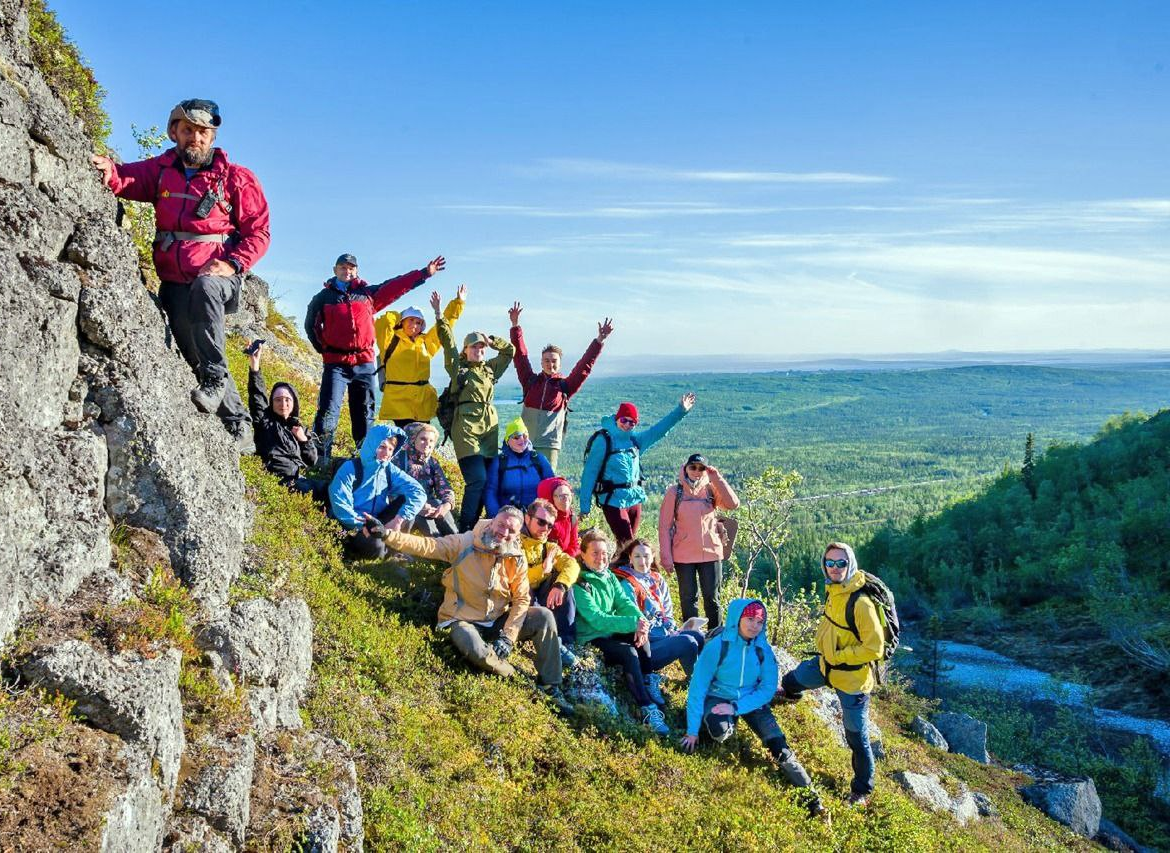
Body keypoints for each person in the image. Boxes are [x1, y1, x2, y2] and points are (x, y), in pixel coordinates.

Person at [91, 98, 270, 450]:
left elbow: (259, 232)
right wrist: (108, 170)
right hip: (174, 281)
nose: (195, 138)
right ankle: (238, 424)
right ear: (175, 132)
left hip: (218, 276)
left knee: (206, 293)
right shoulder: (161, 170)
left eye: (202, 132)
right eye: (187, 130)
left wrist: (232, 264)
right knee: (195, 349)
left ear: (212, 136)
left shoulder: (237, 178)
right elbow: (127, 178)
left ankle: (217, 382)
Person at [381, 507, 571, 711]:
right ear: (491, 522)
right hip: (460, 619)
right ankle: (520, 679)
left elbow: (522, 599)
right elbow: (428, 545)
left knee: (543, 616)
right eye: (501, 525)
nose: (504, 532)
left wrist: (508, 636)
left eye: (511, 531)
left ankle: (551, 685)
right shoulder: (465, 542)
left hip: (496, 620)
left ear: (517, 534)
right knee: (475, 648)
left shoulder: (515, 556)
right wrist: (387, 535)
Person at [681, 599, 824, 816]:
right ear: (737, 618)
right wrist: (691, 731)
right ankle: (718, 725)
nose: (754, 626)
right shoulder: (718, 646)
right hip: (718, 696)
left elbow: (767, 690)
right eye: (749, 619)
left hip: (751, 701)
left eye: (759, 621)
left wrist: (736, 708)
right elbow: (697, 689)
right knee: (719, 733)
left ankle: (812, 799)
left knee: (779, 746)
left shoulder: (763, 650)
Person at [304, 252, 446, 463]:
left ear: (356, 271)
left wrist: (424, 273)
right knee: (329, 410)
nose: (347, 271)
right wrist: (326, 350)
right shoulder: (323, 298)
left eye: (351, 268)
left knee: (364, 411)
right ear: (335, 271)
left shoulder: (367, 294)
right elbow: (311, 326)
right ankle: (320, 460)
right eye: (343, 267)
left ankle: (367, 459)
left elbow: (396, 286)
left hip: (363, 363)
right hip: (336, 363)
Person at [776, 542, 882, 808]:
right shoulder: (834, 589)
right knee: (791, 680)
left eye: (841, 563)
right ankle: (790, 695)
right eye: (830, 563)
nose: (834, 568)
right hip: (825, 667)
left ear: (851, 564)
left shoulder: (861, 602)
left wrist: (839, 656)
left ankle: (862, 789)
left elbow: (875, 647)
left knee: (856, 736)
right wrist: (830, 656)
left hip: (852, 680)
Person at [573, 529, 694, 735]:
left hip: (611, 631)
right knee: (628, 653)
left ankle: (647, 678)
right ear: (583, 555)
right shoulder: (580, 584)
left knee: (641, 631)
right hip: (593, 636)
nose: (600, 558)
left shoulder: (609, 576)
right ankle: (647, 708)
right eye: (594, 553)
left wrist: (640, 621)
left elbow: (624, 603)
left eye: (603, 553)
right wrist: (632, 623)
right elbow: (597, 619)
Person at [507, 302, 614, 470]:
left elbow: (584, 366)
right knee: (521, 484)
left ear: (560, 363)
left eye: (554, 361)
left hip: (549, 446)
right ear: (541, 363)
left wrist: (599, 340)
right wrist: (515, 326)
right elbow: (520, 356)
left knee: (546, 487)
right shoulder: (530, 381)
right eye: (547, 361)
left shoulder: (565, 386)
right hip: (523, 442)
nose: (550, 364)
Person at [580, 393, 696, 544]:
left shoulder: (635, 441)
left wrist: (681, 411)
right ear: (617, 419)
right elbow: (589, 474)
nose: (627, 425)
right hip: (613, 499)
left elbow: (659, 430)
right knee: (628, 543)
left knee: (627, 546)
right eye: (624, 420)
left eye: (632, 422)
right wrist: (584, 506)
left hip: (634, 498)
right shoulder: (604, 441)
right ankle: (624, 566)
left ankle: (617, 565)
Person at [437, 320, 515, 531]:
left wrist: (492, 341)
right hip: (465, 428)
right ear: (466, 350)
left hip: (489, 428)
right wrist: (439, 317)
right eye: (474, 346)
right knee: (477, 480)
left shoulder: (490, 370)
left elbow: (510, 352)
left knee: (488, 481)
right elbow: (448, 345)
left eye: (481, 347)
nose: (479, 350)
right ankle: (466, 529)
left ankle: (479, 528)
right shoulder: (458, 368)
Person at [612, 538, 704, 705]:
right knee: (688, 642)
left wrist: (674, 629)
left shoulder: (657, 580)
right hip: (647, 647)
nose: (642, 561)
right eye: (637, 556)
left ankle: (694, 679)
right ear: (630, 558)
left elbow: (667, 612)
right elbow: (633, 618)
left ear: (652, 556)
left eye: (646, 556)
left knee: (697, 636)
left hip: (664, 636)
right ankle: (700, 689)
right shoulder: (627, 584)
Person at [659, 453, 740, 631]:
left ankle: (715, 637)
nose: (696, 471)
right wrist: (666, 557)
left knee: (713, 599)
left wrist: (716, 477)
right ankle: (692, 638)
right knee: (688, 599)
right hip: (683, 555)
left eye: (701, 468)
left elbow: (733, 504)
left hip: (711, 553)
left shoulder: (711, 490)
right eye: (693, 467)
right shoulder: (675, 492)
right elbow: (664, 526)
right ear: (685, 468)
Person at [328, 424, 426, 560]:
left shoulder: (389, 469)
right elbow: (340, 505)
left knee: (406, 503)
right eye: (382, 447)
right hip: (354, 524)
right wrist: (366, 525)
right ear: (372, 446)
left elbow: (418, 492)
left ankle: (396, 550)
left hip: (379, 520)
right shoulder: (351, 468)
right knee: (377, 547)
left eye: (391, 449)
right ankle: (385, 553)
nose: (386, 453)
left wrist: (398, 520)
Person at [375, 285, 466, 427]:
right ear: (402, 322)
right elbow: (383, 322)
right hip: (399, 402)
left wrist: (458, 303)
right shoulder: (389, 341)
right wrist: (400, 314)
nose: (414, 325)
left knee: (423, 441)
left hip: (423, 402)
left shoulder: (425, 342)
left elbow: (444, 327)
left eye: (418, 322)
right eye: (410, 320)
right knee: (405, 441)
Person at [245, 340, 322, 496]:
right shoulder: (265, 421)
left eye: (287, 399)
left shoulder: (299, 428)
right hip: (280, 481)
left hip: (299, 479)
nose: (283, 404)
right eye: (278, 399)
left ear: (294, 403)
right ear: (272, 402)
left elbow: (312, 460)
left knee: (330, 489)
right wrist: (255, 366)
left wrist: (303, 440)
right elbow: (257, 396)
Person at [519, 499, 580, 664]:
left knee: (563, 583)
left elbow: (571, 564)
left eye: (550, 525)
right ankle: (550, 642)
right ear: (527, 518)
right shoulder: (515, 542)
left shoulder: (549, 547)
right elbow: (515, 578)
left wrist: (560, 585)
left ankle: (565, 639)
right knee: (525, 590)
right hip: (518, 598)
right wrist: (543, 569)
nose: (545, 529)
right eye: (541, 522)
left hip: (539, 596)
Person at [392, 423, 458, 537]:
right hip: (404, 508)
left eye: (432, 441)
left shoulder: (432, 462)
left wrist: (446, 505)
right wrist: (418, 506)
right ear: (412, 439)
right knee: (430, 531)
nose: (428, 444)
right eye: (423, 439)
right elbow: (389, 492)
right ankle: (433, 545)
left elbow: (445, 488)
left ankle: (457, 542)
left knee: (438, 504)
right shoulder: (397, 460)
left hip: (428, 508)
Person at [483, 418, 554, 517]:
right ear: (507, 440)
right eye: (516, 437)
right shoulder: (499, 461)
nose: (522, 440)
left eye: (525, 435)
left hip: (535, 518)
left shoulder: (538, 459)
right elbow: (490, 491)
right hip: (507, 517)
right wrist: (495, 517)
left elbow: (552, 486)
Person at [536, 476, 580, 557]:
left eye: (568, 495)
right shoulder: (540, 522)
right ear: (549, 498)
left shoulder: (571, 517)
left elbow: (574, 545)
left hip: (566, 562)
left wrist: (566, 560)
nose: (566, 499)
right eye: (561, 496)